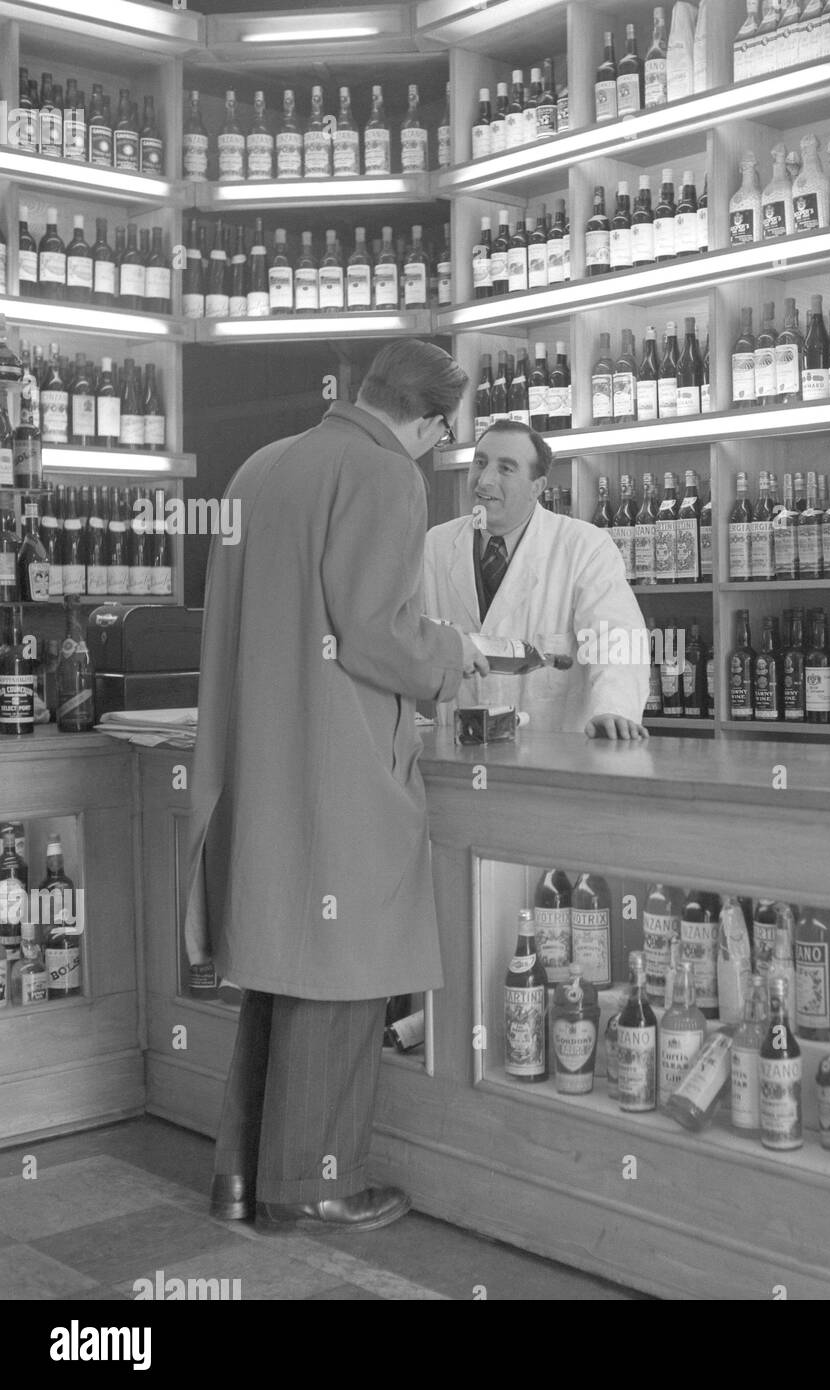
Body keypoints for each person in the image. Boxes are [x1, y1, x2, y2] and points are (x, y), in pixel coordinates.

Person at [182, 340, 488, 1234]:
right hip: (339, 762)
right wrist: (453, 654)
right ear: (429, 421)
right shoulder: (387, 474)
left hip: (258, 759)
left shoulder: (258, 469)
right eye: (440, 436)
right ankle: (314, 1183)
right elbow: (374, 634)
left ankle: (241, 1178)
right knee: (345, 978)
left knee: (276, 971)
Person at [420, 421, 650, 739]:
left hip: (552, 757)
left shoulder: (583, 546)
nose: (484, 480)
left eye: (506, 468)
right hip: (460, 751)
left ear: (537, 486)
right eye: (480, 462)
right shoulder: (436, 544)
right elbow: (405, 630)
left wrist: (614, 709)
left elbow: (617, 639)